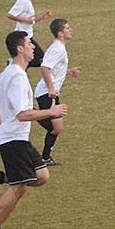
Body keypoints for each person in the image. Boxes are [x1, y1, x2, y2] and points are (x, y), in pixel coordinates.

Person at [0, 31, 66, 229]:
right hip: (14, 141)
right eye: (29, 44)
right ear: (19, 49)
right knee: (20, 186)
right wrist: (50, 113)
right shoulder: (16, 77)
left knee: (42, 176)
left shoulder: (9, 71)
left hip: (15, 137)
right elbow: (23, 114)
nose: (33, 47)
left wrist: (3, 125)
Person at [34, 18, 81, 166]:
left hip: (49, 92)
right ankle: (28, 114)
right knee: (56, 127)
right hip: (47, 93)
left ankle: (45, 158)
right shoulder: (58, 49)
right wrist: (50, 88)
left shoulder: (59, 47)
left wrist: (68, 71)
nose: (70, 30)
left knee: (56, 128)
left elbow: (53, 68)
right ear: (60, 33)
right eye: (67, 28)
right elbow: (44, 67)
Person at [7, 0, 52, 68]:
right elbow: (10, 15)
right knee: (42, 60)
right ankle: (13, 63)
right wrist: (25, 20)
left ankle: (15, 66)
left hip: (27, 36)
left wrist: (41, 17)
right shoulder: (22, 1)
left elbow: (30, 20)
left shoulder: (27, 1)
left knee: (25, 63)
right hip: (22, 37)